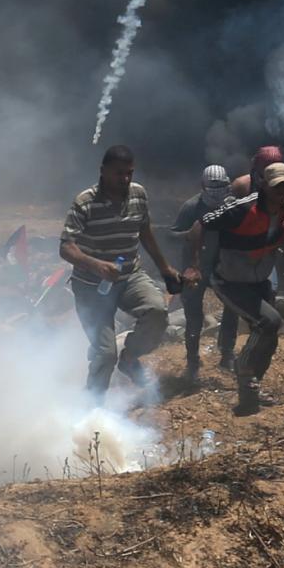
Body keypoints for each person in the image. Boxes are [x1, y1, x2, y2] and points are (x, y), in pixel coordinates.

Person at [196, 162, 284, 415]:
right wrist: (194, 266)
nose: (281, 192)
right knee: (268, 322)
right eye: (276, 187)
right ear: (264, 187)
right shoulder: (241, 209)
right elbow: (201, 225)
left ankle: (252, 388)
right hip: (229, 281)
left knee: (270, 336)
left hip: (258, 280)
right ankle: (243, 369)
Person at [59, 145, 183, 402]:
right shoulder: (85, 202)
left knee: (157, 311)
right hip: (91, 285)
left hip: (129, 276)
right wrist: (97, 265)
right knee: (105, 353)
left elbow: (145, 231)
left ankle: (129, 358)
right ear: (103, 172)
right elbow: (66, 248)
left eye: (129, 173)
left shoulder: (138, 194)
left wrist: (164, 267)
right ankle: (92, 410)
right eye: (119, 174)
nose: (125, 179)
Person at [171, 164, 238, 382]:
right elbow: (172, 236)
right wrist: (190, 235)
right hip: (195, 267)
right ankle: (192, 359)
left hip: (222, 266)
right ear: (203, 186)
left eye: (222, 186)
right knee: (193, 315)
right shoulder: (191, 207)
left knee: (232, 307)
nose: (218, 191)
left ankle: (227, 353)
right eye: (213, 187)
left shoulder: (232, 206)